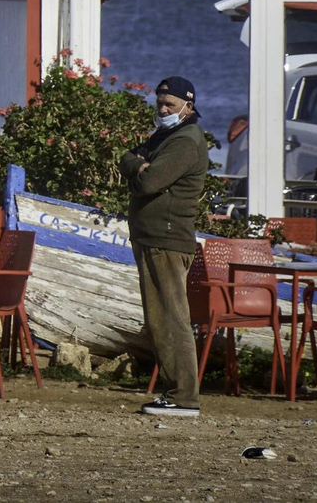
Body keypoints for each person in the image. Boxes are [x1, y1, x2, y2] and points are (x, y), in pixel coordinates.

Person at [120, 76, 209, 418]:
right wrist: (138, 164)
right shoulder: (166, 135)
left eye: (169, 105)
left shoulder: (186, 140)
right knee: (159, 320)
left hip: (167, 240)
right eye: (159, 103)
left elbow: (149, 181)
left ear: (188, 106)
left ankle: (184, 397)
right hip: (151, 238)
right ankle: (176, 392)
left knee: (171, 319)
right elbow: (128, 159)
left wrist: (143, 169)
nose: (162, 109)